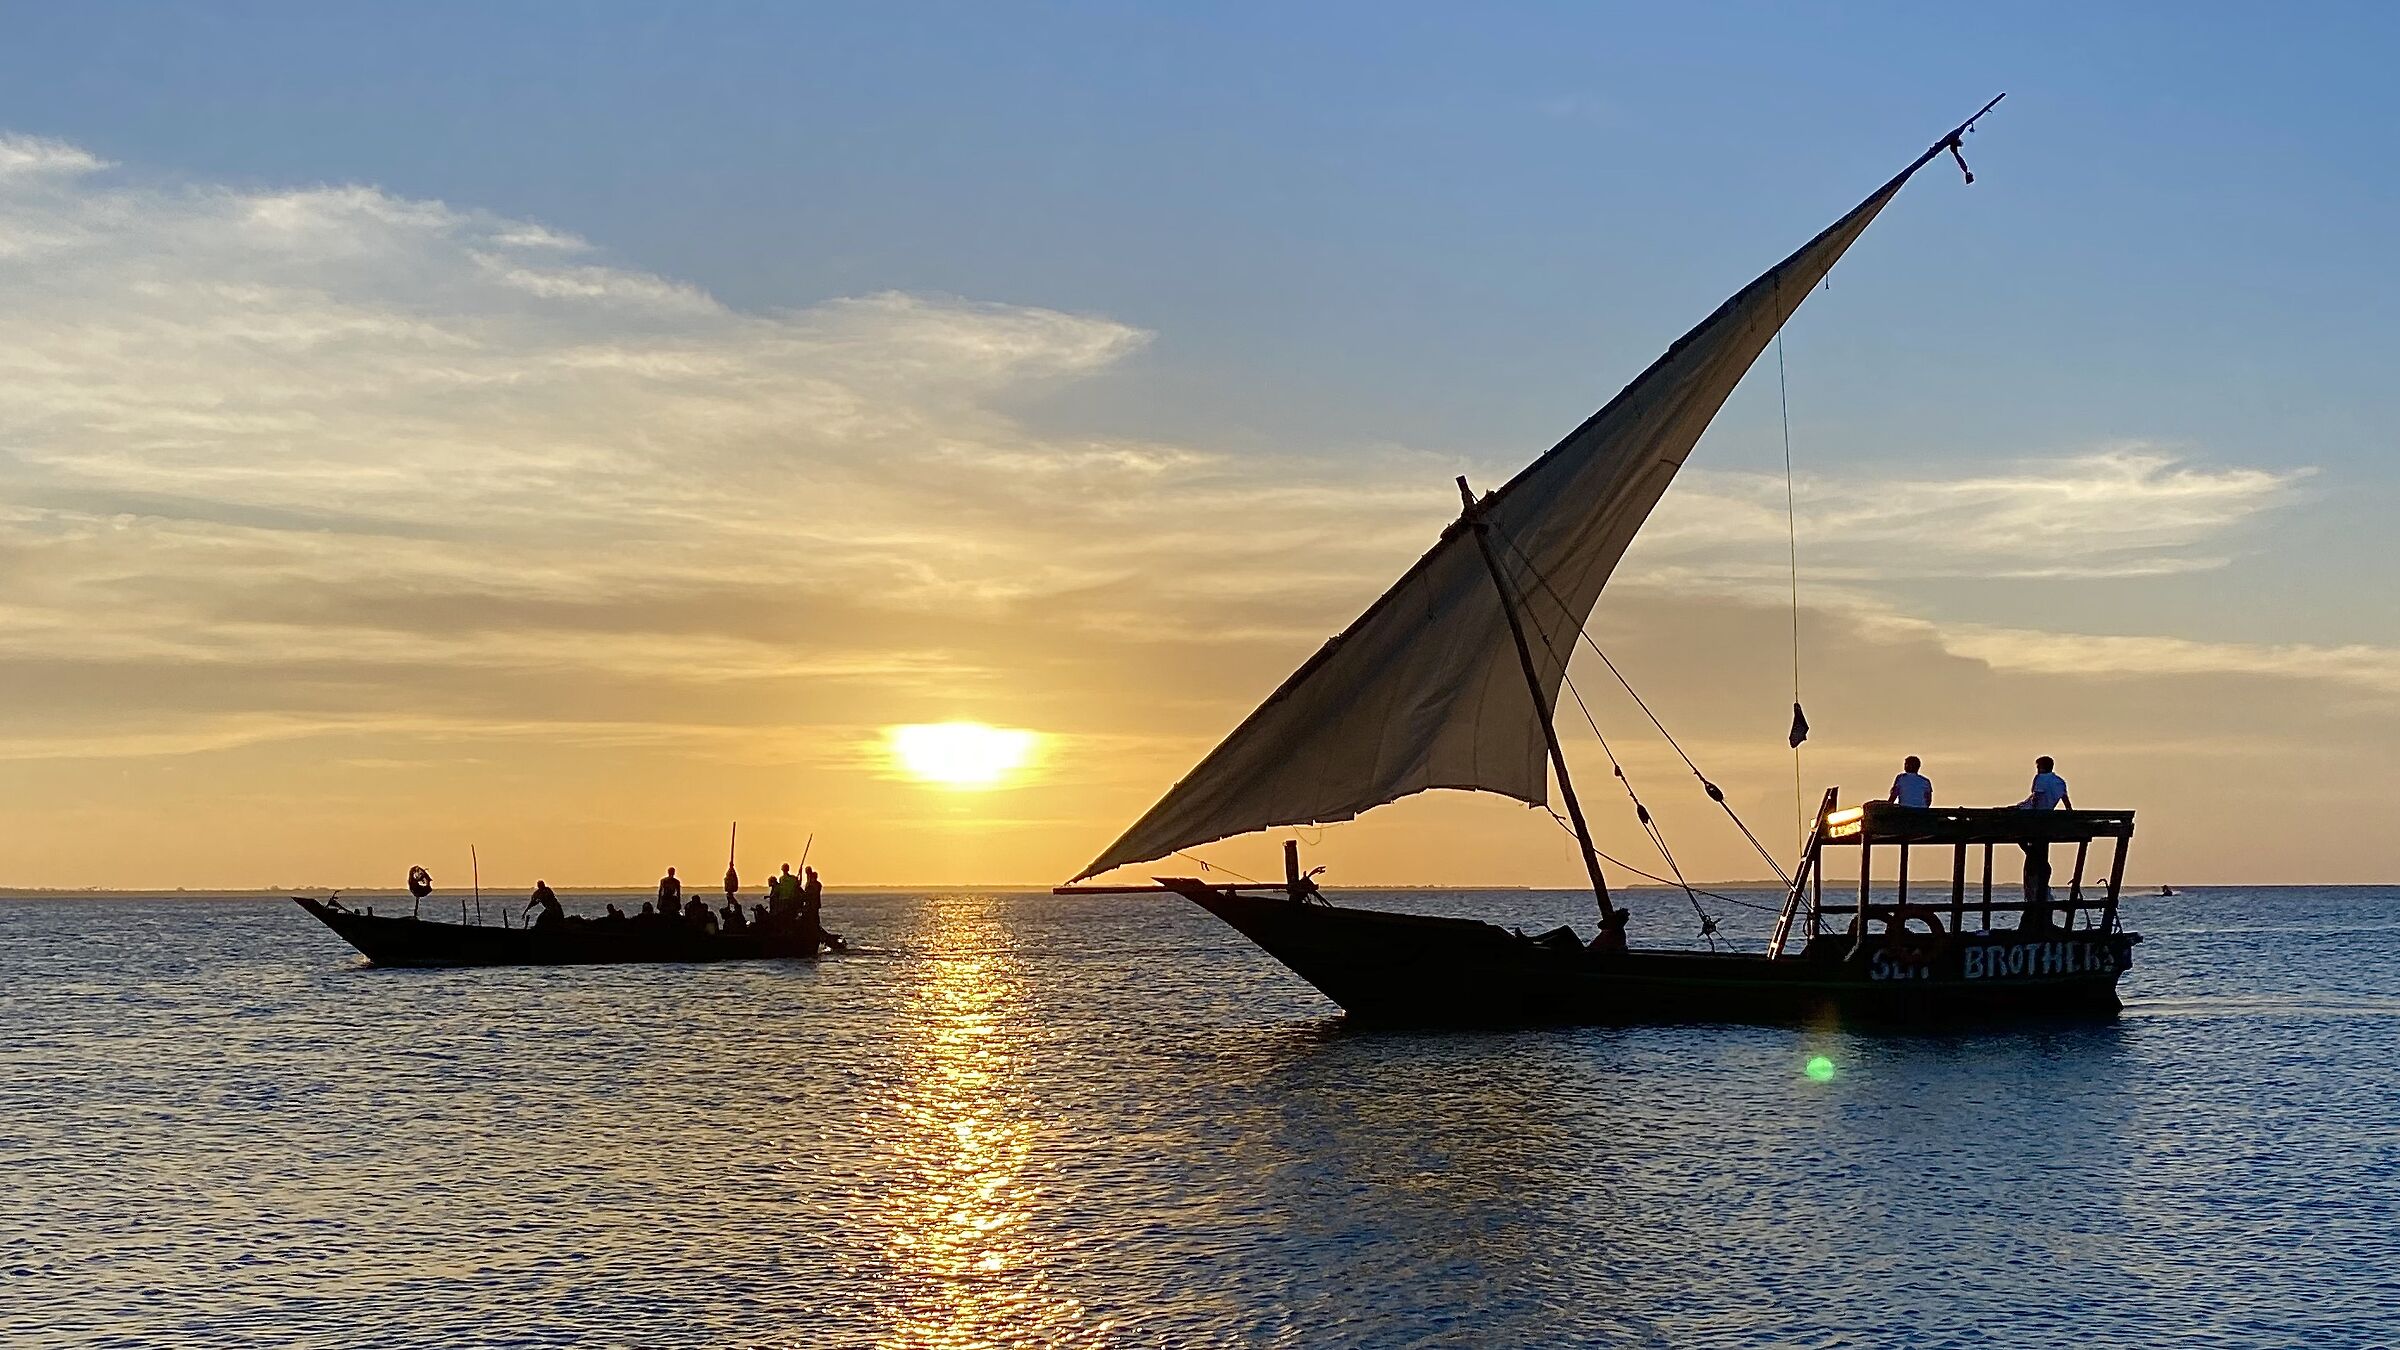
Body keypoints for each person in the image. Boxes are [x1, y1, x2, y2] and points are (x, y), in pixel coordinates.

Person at [2013, 756, 2071, 926]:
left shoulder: (2040, 779)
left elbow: (2036, 798)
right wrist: (2071, 816)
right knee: (2038, 856)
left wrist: (2033, 816)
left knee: (2012, 817)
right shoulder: (2060, 781)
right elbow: (2066, 801)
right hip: (2048, 815)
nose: (2037, 769)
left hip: (2034, 814)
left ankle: (2026, 848)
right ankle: (2028, 849)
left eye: (2038, 766)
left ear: (2042, 767)